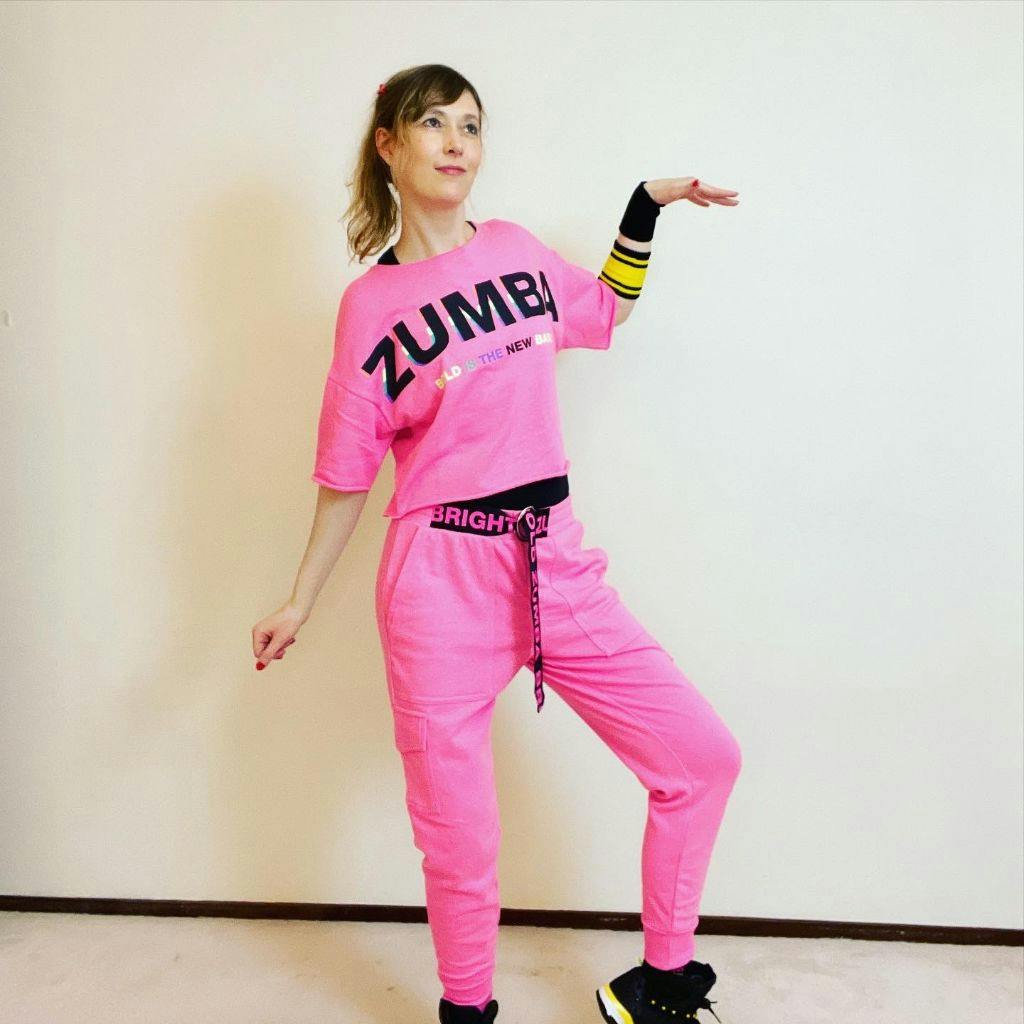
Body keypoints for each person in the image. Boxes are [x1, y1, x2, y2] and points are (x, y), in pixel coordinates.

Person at [251, 63, 742, 1024]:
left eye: (470, 125)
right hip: (438, 581)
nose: (455, 142)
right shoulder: (370, 308)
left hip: (553, 560)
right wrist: (299, 598)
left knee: (700, 758)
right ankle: (467, 1010)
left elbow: (603, 309)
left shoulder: (515, 250)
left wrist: (643, 207)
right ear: (388, 145)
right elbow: (347, 471)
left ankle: (661, 987)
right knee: (460, 837)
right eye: (432, 123)